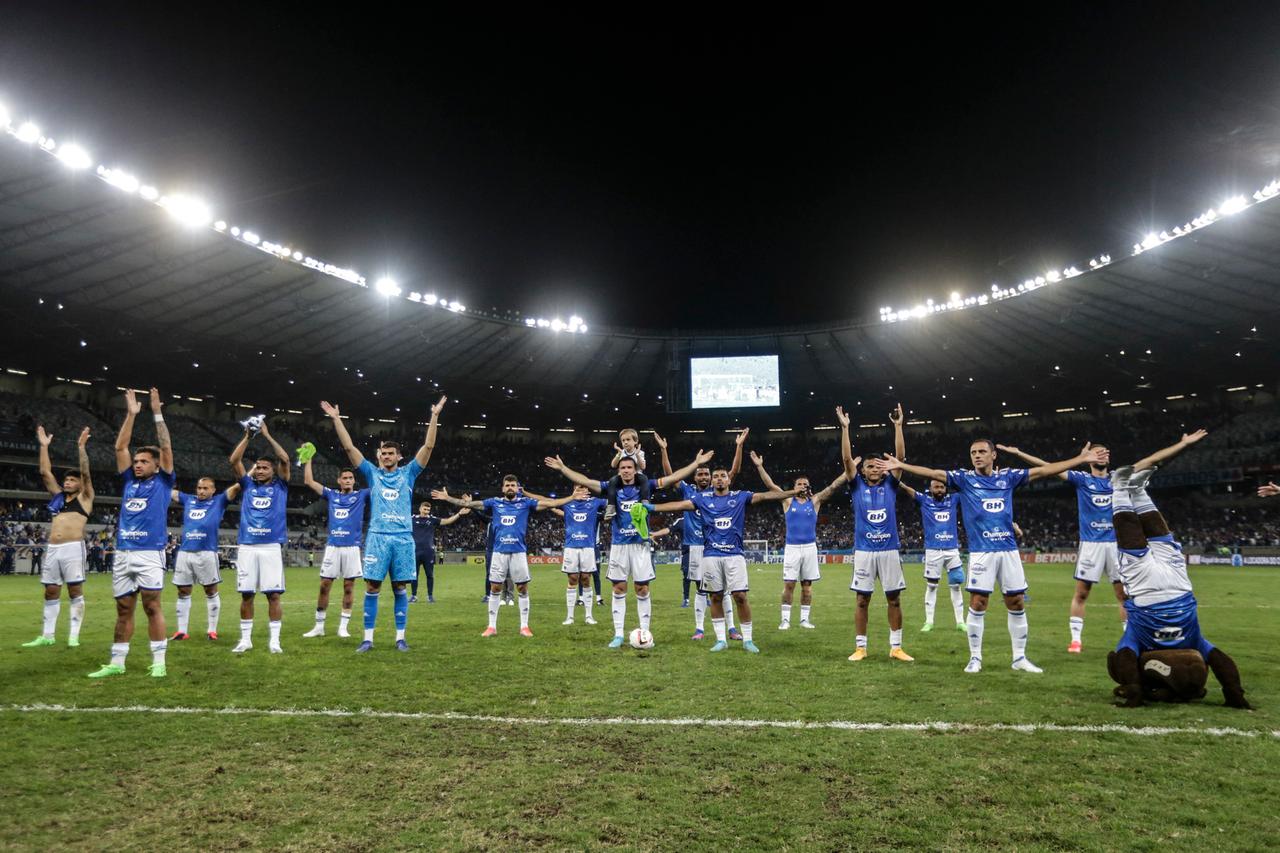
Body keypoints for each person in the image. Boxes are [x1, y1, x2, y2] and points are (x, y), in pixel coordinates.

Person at [873, 439, 1106, 674]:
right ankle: (975, 658)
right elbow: (932, 473)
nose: (977, 456)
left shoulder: (1008, 477)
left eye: (982, 451)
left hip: (1008, 551)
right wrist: (902, 465)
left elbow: (1045, 470)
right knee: (978, 603)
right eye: (973, 452)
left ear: (994, 455)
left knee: (1015, 602)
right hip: (981, 553)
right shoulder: (964, 479)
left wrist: (1080, 460)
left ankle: (1019, 658)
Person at [1106, 432, 1249, 709]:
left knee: (1163, 540)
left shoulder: (1195, 640)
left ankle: (1135, 491)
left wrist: (1235, 693)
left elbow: (1218, 658)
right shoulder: (1140, 640)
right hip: (1147, 595)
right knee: (1132, 544)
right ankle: (1124, 489)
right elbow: (1124, 655)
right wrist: (1236, 696)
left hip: (1180, 588)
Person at [544, 448, 712, 648]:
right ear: (619, 471)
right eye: (622, 468)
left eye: (629, 468)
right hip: (619, 546)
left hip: (640, 545)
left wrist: (695, 464)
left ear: (635, 470)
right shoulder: (611, 488)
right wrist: (563, 468)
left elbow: (672, 478)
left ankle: (645, 630)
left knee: (642, 589)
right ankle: (618, 634)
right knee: (619, 588)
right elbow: (587, 481)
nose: (625, 471)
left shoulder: (646, 486)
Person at [322, 395, 446, 653]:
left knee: (400, 587)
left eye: (391, 453)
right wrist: (336, 419)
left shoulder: (409, 473)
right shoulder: (371, 473)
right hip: (378, 536)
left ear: (399, 457)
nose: (387, 456)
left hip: (402, 537)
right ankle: (368, 638)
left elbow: (429, 447)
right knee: (372, 586)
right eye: (383, 453)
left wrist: (434, 416)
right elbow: (349, 448)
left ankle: (400, 638)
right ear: (379, 456)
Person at [646, 466, 799, 653]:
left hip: (734, 555)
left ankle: (748, 640)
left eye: (723, 476)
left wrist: (793, 492)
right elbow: (679, 505)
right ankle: (720, 640)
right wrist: (652, 507)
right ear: (712, 482)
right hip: (711, 555)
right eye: (716, 477)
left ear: (728, 480)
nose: (719, 479)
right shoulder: (702, 499)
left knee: (740, 597)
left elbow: (766, 496)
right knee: (716, 596)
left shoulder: (740, 496)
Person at [998, 441, 1126, 652]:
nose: (1102, 456)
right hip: (1091, 545)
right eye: (1098, 453)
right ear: (1090, 458)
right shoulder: (1082, 479)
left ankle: (1127, 640)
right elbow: (1047, 466)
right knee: (1081, 594)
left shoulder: (1117, 480)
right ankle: (1076, 640)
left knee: (1124, 596)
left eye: (1106, 452)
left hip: (1115, 544)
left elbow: (1148, 464)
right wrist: (1019, 452)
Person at [88, 389, 174, 679]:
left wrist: (157, 413)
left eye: (144, 461)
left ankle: (159, 661)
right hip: (123, 552)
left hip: (150, 552)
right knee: (124, 608)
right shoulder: (129, 482)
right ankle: (117, 662)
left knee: (152, 606)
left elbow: (166, 446)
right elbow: (119, 449)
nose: (137, 464)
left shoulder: (163, 481)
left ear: (156, 464)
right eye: (136, 462)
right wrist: (132, 414)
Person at [436, 477, 573, 637]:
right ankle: (491, 627)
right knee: (495, 588)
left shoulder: (526, 503)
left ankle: (524, 626)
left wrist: (571, 498)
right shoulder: (494, 502)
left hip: (518, 552)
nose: (510, 488)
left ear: (517, 488)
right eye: (507, 485)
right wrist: (447, 498)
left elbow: (551, 503)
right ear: (502, 488)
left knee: (522, 588)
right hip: (499, 552)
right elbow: (469, 504)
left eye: (513, 485)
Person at [837, 404, 914, 662]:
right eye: (870, 466)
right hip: (864, 552)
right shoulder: (856, 485)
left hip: (889, 550)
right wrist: (845, 429)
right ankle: (861, 647)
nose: (875, 469)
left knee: (894, 599)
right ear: (863, 471)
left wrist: (898, 426)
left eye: (878, 466)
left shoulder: (891, 484)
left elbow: (900, 458)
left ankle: (896, 647)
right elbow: (847, 461)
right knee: (862, 600)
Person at [654, 431, 745, 640]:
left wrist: (739, 446)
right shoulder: (690, 492)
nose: (703, 477)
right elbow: (670, 477)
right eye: (700, 474)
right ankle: (699, 629)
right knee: (701, 588)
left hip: (716, 546)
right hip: (694, 546)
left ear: (712, 478)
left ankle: (731, 628)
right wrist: (664, 450)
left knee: (724, 590)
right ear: (695, 476)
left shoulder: (718, 492)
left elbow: (734, 471)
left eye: (707, 474)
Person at [751, 450, 845, 631]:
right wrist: (760, 466)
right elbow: (771, 485)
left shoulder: (815, 501)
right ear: (795, 486)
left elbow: (833, 486)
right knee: (789, 585)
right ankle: (785, 620)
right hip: (792, 548)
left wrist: (848, 470)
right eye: (799, 483)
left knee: (807, 587)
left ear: (810, 486)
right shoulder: (787, 501)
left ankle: (804, 620)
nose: (802, 486)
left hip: (810, 548)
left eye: (805, 484)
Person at [22, 425, 92, 648]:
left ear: (80, 484)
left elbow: (86, 474)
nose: (68, 482)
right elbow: (45, 472)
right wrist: (43, 447)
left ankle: (73, 635)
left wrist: (81, 448)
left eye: (73, 480)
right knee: (51, 590)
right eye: (67, 480)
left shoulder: (85, 498)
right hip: (53, 549)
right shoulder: (59, 498)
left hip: (73, 548)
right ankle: (48, 636)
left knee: (74, 590)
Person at [228, 420, 292, 654]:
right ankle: (246, 640)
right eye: (259, 467)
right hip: (247, 545)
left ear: (273, 471)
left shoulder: (281, 486)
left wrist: (267, 434)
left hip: (271, 547)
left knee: (273, 594)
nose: (261, 470)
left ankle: (274, 640)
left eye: (266, 467)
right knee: (246, 594)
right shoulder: (247, 485)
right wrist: (248, 436)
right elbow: (234, 461)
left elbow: (285, 459)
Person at [300, 462, 369, 638]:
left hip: (352, 547)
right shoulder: (331, 495)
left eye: (350, 478)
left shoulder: (361, 495)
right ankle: (319, 627)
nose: (347, 480)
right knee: (324, 586)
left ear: (354, 481)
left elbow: (380, 484)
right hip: (333, 547)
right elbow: (309, 481)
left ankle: (343, 627)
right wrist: (308, 460)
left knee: (348, 587)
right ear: (339, 480)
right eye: (344, 478)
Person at [169, 476, 240, 641]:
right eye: (199, 488)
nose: (201, 491)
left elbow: (237, 487)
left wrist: (251, 472)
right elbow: (169, 492)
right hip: (185, 551)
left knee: (210, 590)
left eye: (205, 488)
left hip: (207, 552)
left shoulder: (219, 501)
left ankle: (212, 630)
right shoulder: (189, 500)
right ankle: (181, 631)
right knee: (183, 591)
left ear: (213, 490)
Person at [908, 478, 966, 633]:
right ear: (930, 489)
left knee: (956, 585)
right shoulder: (925, 500)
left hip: (951, 549)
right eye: (936, 487)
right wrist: (896, 481)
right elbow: (910, 491)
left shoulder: (953, 500)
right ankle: (929, 622)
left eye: (942, 487)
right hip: (933, 550)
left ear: (946, 489)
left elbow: (966, 488)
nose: (939, 489)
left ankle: (960, 622)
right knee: (932, 586)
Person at [550, 485, 606, 625]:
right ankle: (570, 617)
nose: (581, 491)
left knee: (586, 579)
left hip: (588, 547)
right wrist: (526, 493)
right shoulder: (567, 503)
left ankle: (589, 616)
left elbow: (614, 501)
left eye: (583, 488)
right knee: (573, 579)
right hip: (571, 547)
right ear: (573, 490)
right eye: (577, 489)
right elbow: (549, 502)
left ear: (588, 490)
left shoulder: (595, 502)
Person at [410, 501, 468, 603]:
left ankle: (430, 596)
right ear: (420, 509)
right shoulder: (412, 519)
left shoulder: (432, 519)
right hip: (415, 551)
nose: (426, 511)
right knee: (414, 575)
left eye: (428, 510)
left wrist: (459, 514)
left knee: (430, 575)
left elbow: (447, 521)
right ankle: (414, 596)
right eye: (425, 509)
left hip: (428, 552)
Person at [602, 428, 648, 521]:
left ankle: (645, 503)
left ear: (635, 441)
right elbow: (613, 465)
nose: (625, 442)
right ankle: (611, 506)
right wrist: (618, 454)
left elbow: (643, 467)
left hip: (636, 477)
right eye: (623, 440)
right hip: (622, 478)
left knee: (644, 478)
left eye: (628, 440)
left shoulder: (640, 452)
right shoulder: (621, 452)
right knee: (612, 480)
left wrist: (638, 455)